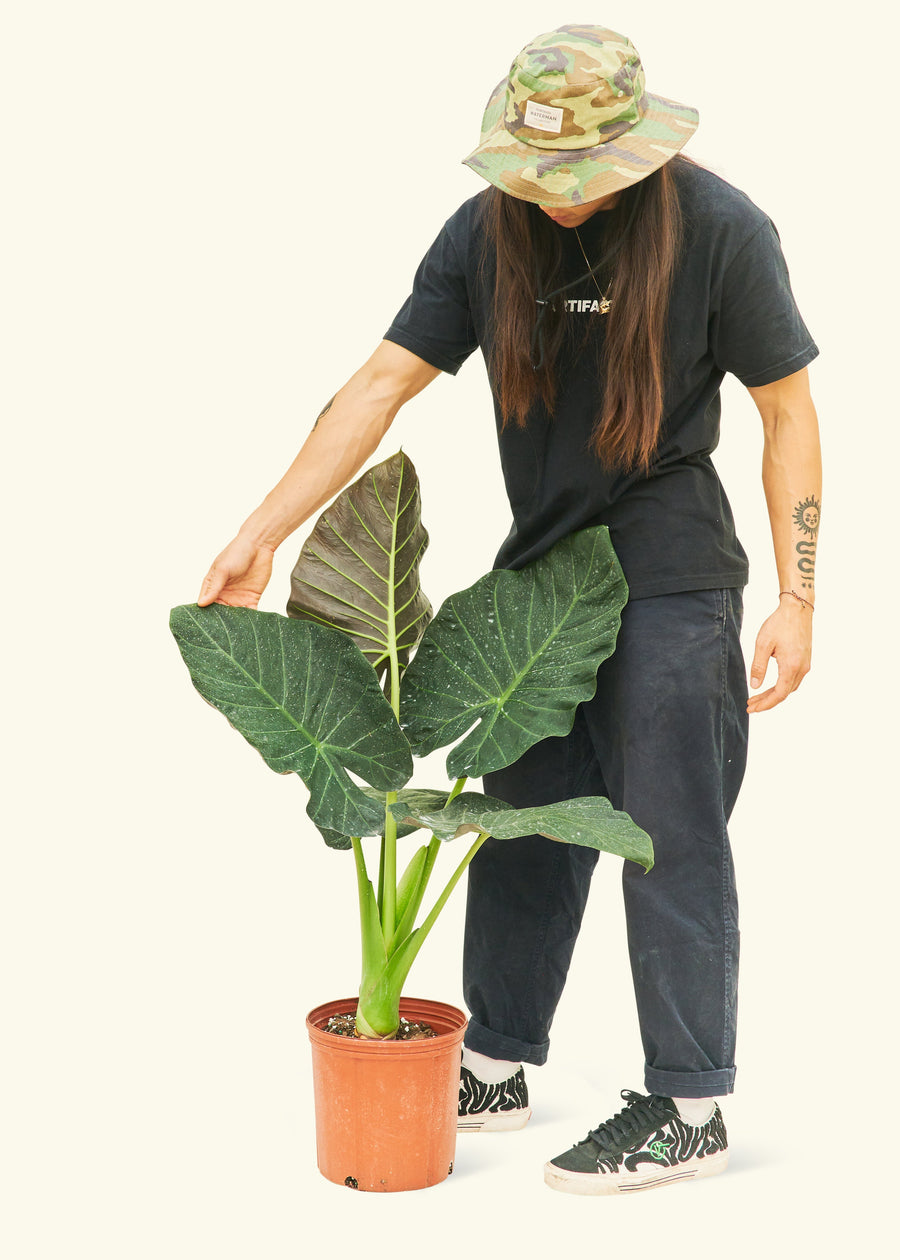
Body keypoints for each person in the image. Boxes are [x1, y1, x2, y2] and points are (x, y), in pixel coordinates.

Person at [198, 25, 821, 1195]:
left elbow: (789, 412)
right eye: (539, 174)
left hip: (674, 575)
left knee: (664, 831)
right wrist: (261, 530)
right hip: (543, 574)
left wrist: (798, 595)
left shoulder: (724, 228)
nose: (559, 197)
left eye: (580, 172)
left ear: (634, 147)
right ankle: (497, 1060)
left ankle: (689, 1104)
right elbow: (379, 384)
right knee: (521, 816)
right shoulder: (483, 235)